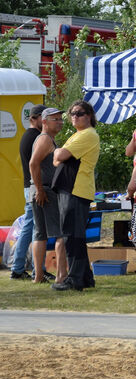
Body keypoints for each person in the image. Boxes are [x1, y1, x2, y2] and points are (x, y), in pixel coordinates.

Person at [52, 100, 100, 292]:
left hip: (76, 189)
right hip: (72, 189)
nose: (74, 116)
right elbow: (57, 160)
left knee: (72, 236)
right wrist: (59, 155)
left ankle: (75, 279)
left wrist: (58, 152)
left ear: (89, 115)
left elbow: (60, 155)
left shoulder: (88, 134)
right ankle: (85, 277)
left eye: (79, 113)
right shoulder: (78, 135)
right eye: (72, 113)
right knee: (74, 235)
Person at [29, 107, 66, 286]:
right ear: (44, 121)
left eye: (60, 119)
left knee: (40, 234)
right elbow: (33, 163)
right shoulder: (44, 139)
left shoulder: (45, 138)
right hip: (45, 191)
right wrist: (40, 190)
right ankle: (61, 275)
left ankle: (38, 275)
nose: (60, 122)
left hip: (40, 189)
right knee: (60, 233)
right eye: (55, 119)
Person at [10, 104, 48, 281]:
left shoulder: (30, 136)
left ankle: (24, 268)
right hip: (33, 187)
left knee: (31, 227)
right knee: (34, 229)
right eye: (43, 117)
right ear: (34, 118)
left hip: (30, 186)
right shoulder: (35, 137)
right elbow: (35, 165)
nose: (46, 120)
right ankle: (30, 268)